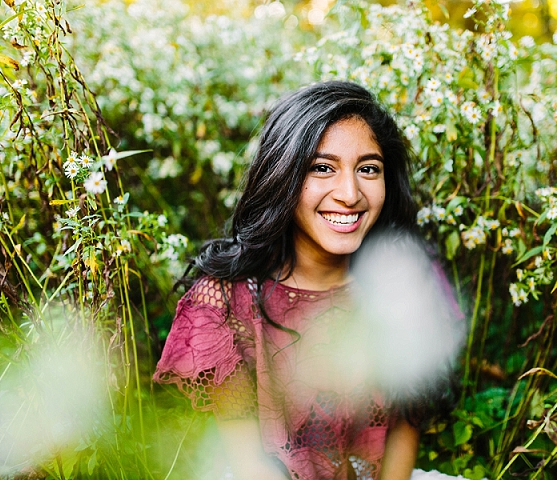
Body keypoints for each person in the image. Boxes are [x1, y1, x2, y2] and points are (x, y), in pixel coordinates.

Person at [154, 81, 460, 480]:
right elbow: (251, 465)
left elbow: (405, 428)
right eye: (322, 168)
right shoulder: (224, 302)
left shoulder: (403, 286)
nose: (349, 193)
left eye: (368, 169)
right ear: (282, 174)